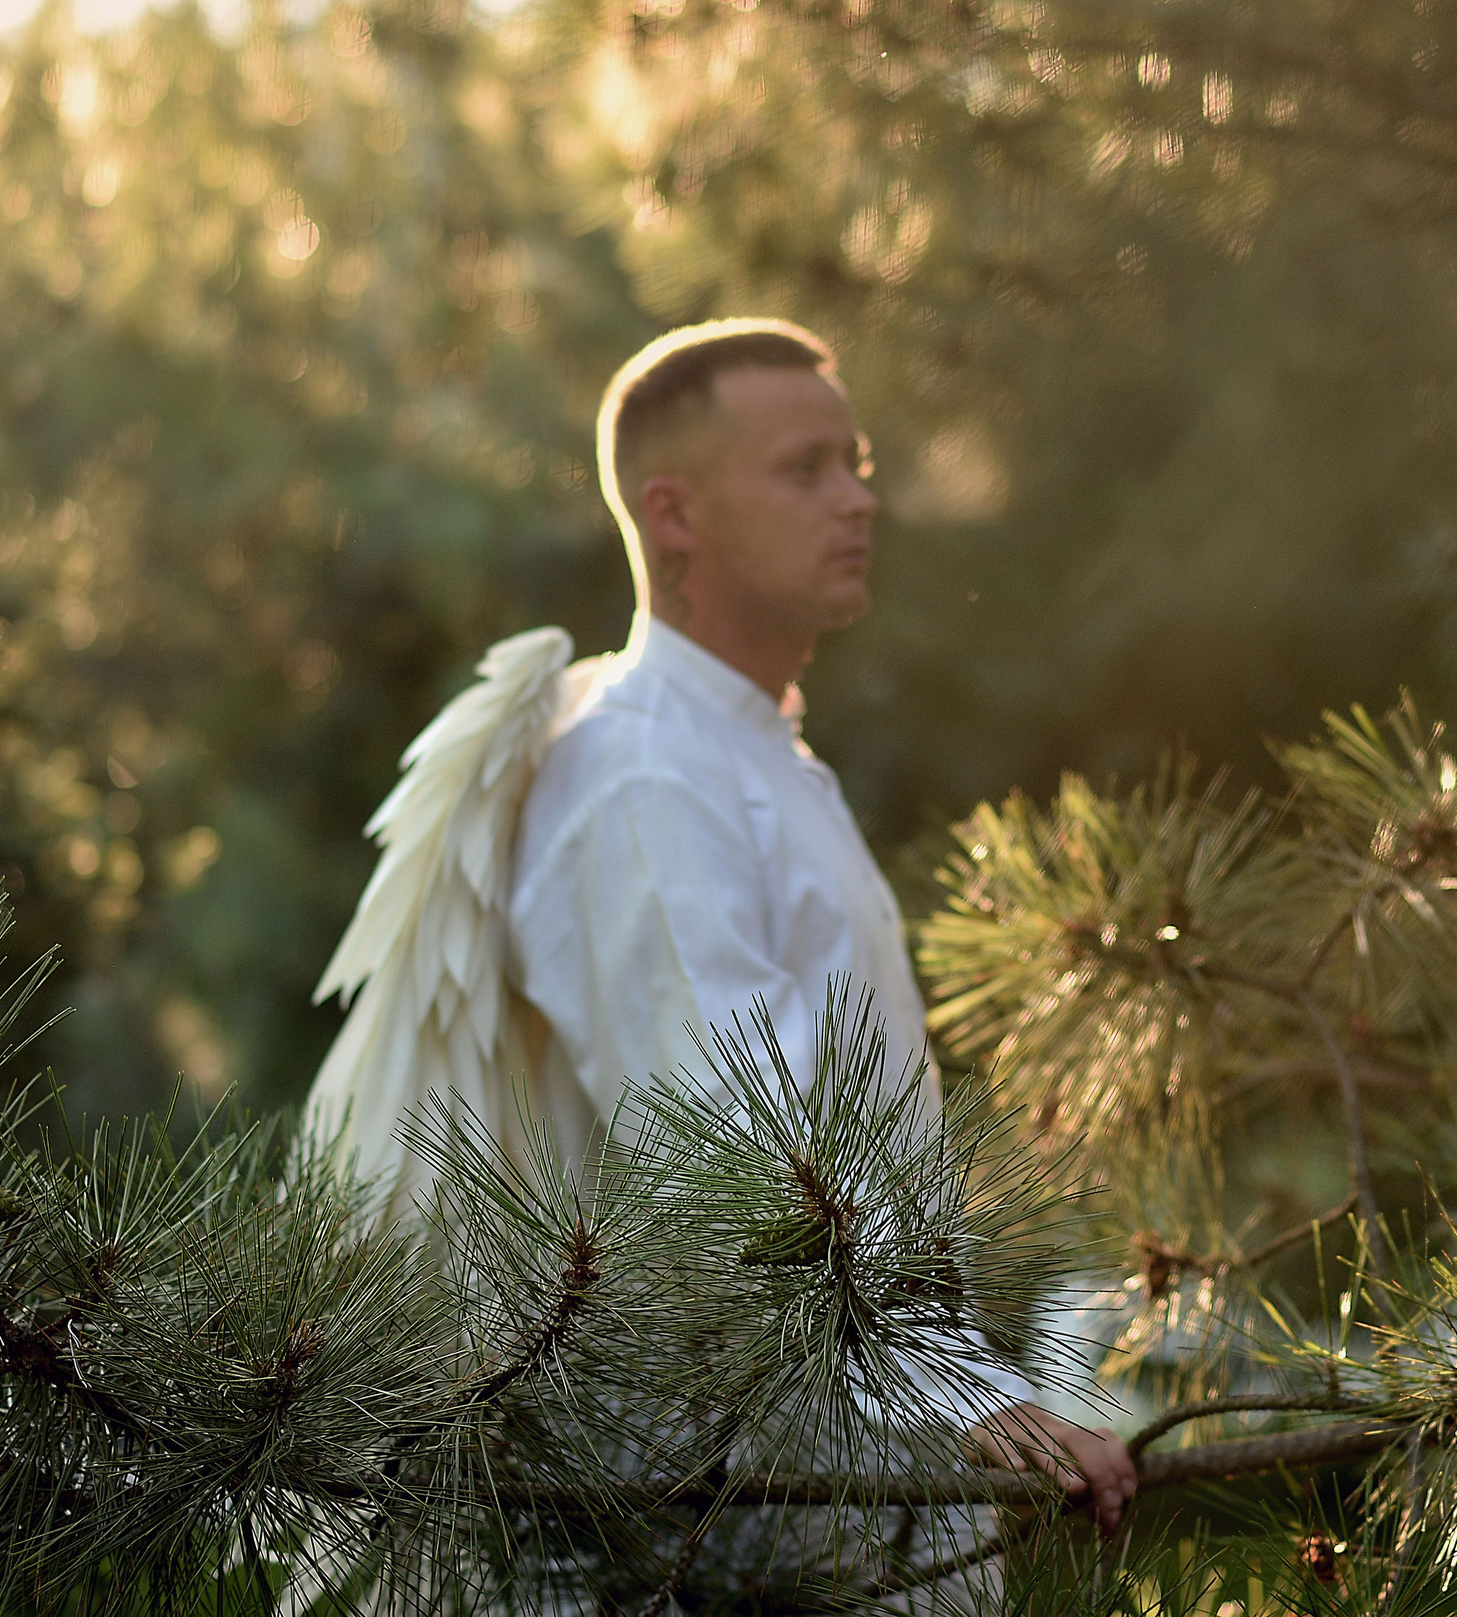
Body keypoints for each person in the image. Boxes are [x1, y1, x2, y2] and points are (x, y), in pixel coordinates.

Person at [309, 318, 1134, 1603]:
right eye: (806, 469)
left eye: (857, 464)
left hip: (824, 1471)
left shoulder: (753, 753)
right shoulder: (640, 770)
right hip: (698, 1517)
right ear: (674, 513)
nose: (858, 499)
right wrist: (965, 1393)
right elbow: (732, 1130)